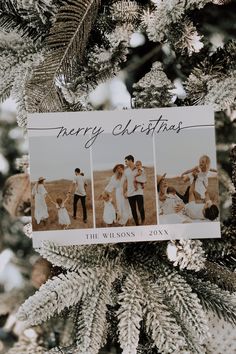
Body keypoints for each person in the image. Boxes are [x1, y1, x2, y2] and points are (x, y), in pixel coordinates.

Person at [123, 155, 147, 226]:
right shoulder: (126, 171)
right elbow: (125, 182)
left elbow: (144, 179)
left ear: (130, 160)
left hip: (139, 191)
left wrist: (141, 183)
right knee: (133, 210)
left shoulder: (139, 168)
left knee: (141, 208)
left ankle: (143, 220)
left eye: (126, 161)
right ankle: (137, 224)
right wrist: (124, 192)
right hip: (130, 193)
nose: (125, 162)